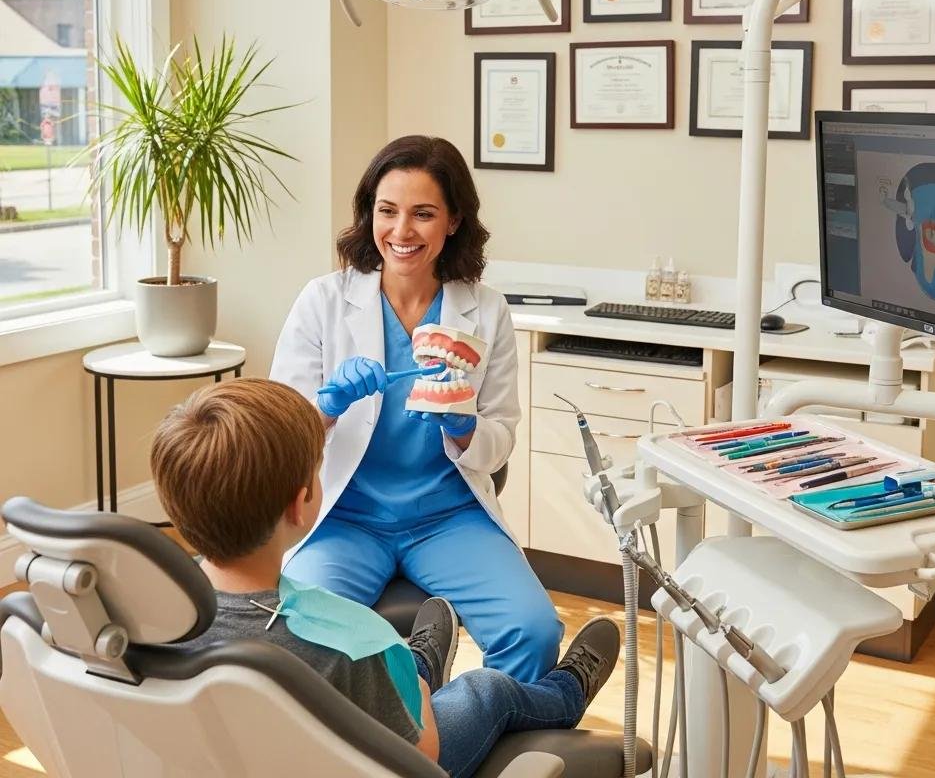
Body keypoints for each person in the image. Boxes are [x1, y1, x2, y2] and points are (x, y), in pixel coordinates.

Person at [152, 379, 620, 778]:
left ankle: (417, 665)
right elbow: (420, 752)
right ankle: (563, 691)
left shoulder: (153, 617)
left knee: (396, 677)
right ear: (303, 504)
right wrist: (413, 691)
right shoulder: (357, 642)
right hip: (384, 760)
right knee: (485, 690)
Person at [269, 135, 562, 682]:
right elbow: (279, 436)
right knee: (295, 638)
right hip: (345, 519)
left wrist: (464, 424)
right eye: (388, 211)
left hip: (448, 518)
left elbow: (502, 435)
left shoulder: (486, 310)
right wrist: (325, 407)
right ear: (369, 214)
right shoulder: (323, 301)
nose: (401, 233)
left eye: (423, 214)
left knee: (535, 633)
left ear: (452, 221)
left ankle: (465, 734)